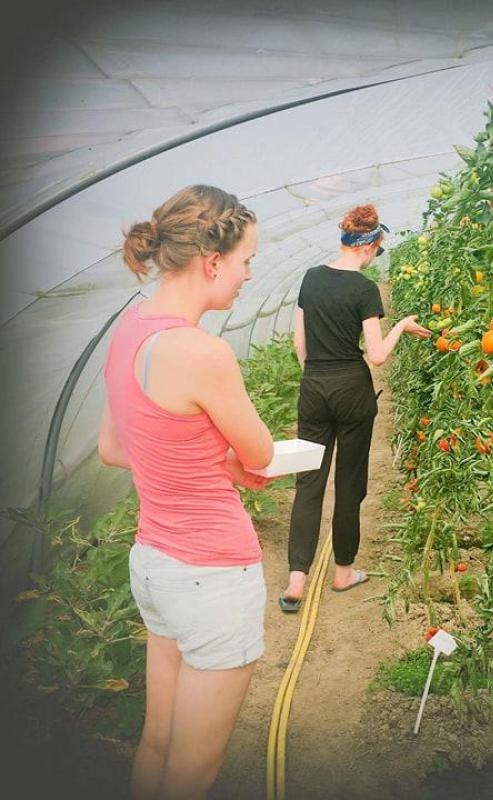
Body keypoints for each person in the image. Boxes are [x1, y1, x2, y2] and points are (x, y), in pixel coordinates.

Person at [98, 185, 274, 800]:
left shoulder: (128, 329)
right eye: (248, 259)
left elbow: (114, 448)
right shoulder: (203, 352)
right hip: (213, 576)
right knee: (194, 771)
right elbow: (261, 454)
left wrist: (201, 461)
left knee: (157, 743)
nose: (250, 274)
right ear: (213, 260)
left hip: (156, 566)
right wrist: (227, 463)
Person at [279, 204, 430, 612]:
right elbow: (377, 356)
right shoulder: (364, 290)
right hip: (352, 389)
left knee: (309, 483)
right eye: (378, 251)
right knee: (349, 484)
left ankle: (296, 580)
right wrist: (401, 325)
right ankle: (343, 572)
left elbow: (299, 344)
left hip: (314, 385)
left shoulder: (311, 279)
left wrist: (316, 376)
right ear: (368, 248)